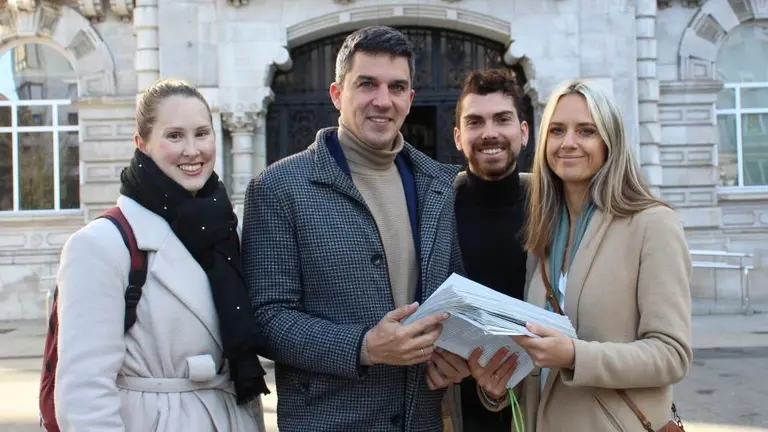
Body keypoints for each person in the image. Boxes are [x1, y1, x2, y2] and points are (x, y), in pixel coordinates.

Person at [242, 26, 471, 431]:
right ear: (337, 94)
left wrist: (456, 354)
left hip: (421, 420)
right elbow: (267, 318)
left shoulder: (438, 186)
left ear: (410, 99)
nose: (383, 101)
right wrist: (364, 347)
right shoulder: (278, 188)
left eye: (397, 87)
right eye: (367, 84)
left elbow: (455, 299)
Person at [53, 79, 269, 431]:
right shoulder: (101, 244)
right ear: (142, 144)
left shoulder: (226, 229)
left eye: (202, 133)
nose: (192, 150)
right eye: (174, 136)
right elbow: (83, 394)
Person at [481, 79, 693, 431]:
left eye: (586, 131)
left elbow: (672, 355)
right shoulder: (543, 230)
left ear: (610, 141)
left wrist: (576, 356)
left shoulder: (652, 224)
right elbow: (538, 359)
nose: (568, 143)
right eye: (557, 130)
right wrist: (496, 392)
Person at [439, 69, 531, 432]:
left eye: (502, 119)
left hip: (546, 401)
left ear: (523, 132)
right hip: (457, 408)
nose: (489, 132)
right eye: (475, 122)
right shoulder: (434, 212)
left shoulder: (556, 209)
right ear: (459, 138)